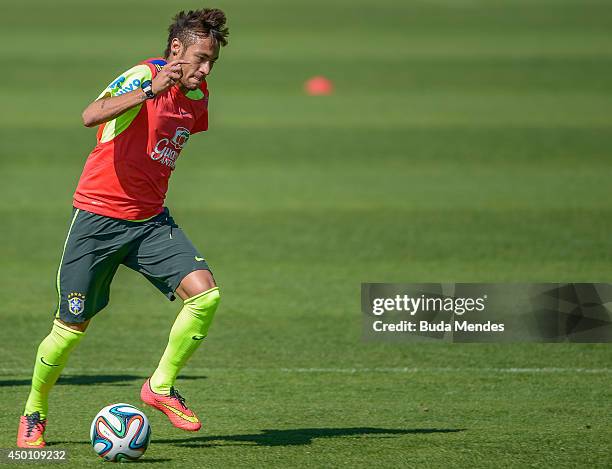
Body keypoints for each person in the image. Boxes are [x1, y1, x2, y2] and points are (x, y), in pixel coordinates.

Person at [17, 8, 229, 448]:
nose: (206, 69)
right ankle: (34, 410)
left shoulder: (198, 93)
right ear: (176, 50)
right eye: (200, 58)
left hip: (150, 220)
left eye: (212, 61)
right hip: (97, 220)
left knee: (206, 295)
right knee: (69, 330)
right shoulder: (143, 74)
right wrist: (149, 92)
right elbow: (91, 115)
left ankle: (160, 387)